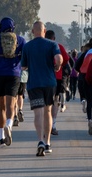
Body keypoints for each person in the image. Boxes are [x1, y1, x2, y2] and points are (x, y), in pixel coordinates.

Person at [21, 21, 62, 156]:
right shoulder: (52, 44)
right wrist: (57, 66)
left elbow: (23, 66)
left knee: (38, 113)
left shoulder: (27, 46)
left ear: (33, 32)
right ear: (44, 31)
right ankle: (48, 142)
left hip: (34, 83)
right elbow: (59, 57)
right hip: (49, 83)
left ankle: (40, 141)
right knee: (48, 111)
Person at [0, 17, 26, 147]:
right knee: (11, 104)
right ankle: (9, 124)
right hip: (14, 74)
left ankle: (1, 137)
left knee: (1, 106)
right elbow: (25, 56)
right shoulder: (20, 39)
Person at [46, 29, 70, 134]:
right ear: (54, 38)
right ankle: (53, 125)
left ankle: (46, 126)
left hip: (44, 77)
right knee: (55, 101)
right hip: (57, 77)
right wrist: (58, 65)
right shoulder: (59, 46)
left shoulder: (42, 46)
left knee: (45, 103)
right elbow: (66, 59)